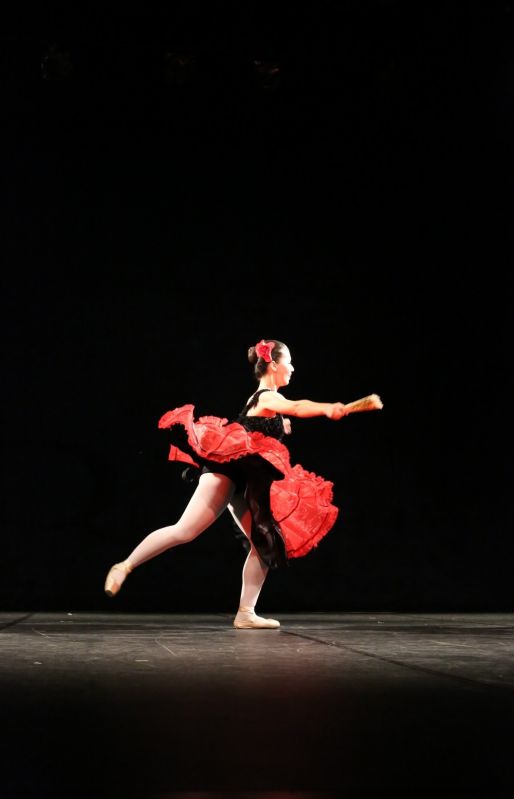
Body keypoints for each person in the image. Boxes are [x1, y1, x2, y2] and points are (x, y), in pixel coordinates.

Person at [104, 338, 383, 628]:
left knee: (264, 542)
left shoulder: (269, 403)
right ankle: (125, 566)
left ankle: (246, 613)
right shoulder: (265, 396)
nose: (293, 367)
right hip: (228, 473)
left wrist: (281, 425)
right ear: (273, 364)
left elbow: (269, 422)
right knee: (185, 531)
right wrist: (328, 408)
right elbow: (297, 405)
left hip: (248, 480)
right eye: (289, 361)